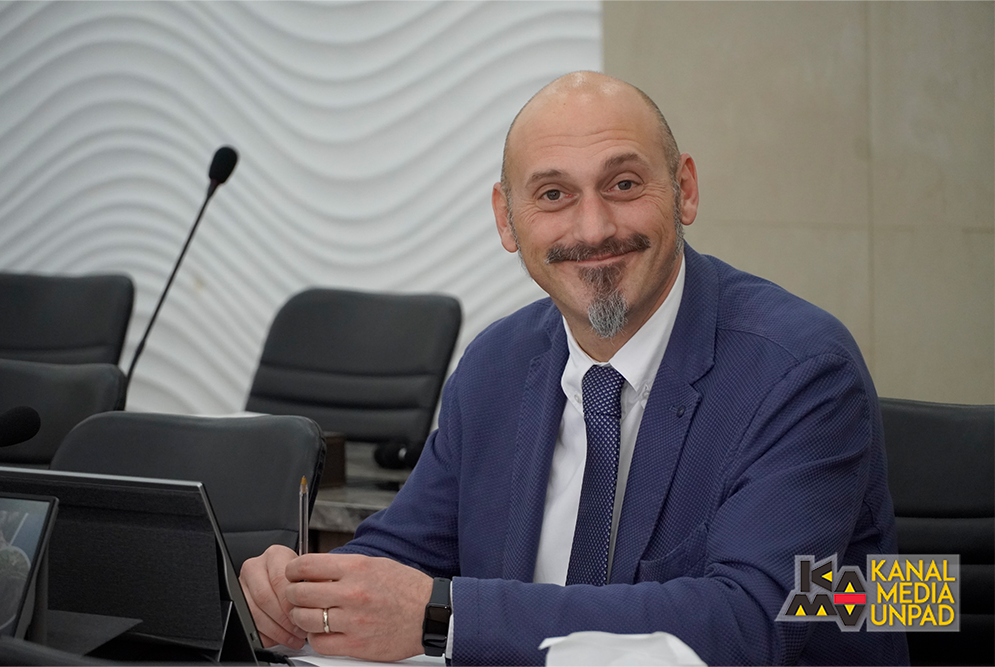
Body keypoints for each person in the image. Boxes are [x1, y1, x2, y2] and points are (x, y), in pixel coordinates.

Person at [240, 71, 908, 666]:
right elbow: (402, 556)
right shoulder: (496, 366)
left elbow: (751, 621)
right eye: (554, 193)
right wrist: (298, 591)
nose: (593, 229)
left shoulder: (801, 372)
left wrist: (445, 616)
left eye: (624, 184)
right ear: (507, 220)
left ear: (684, 190)